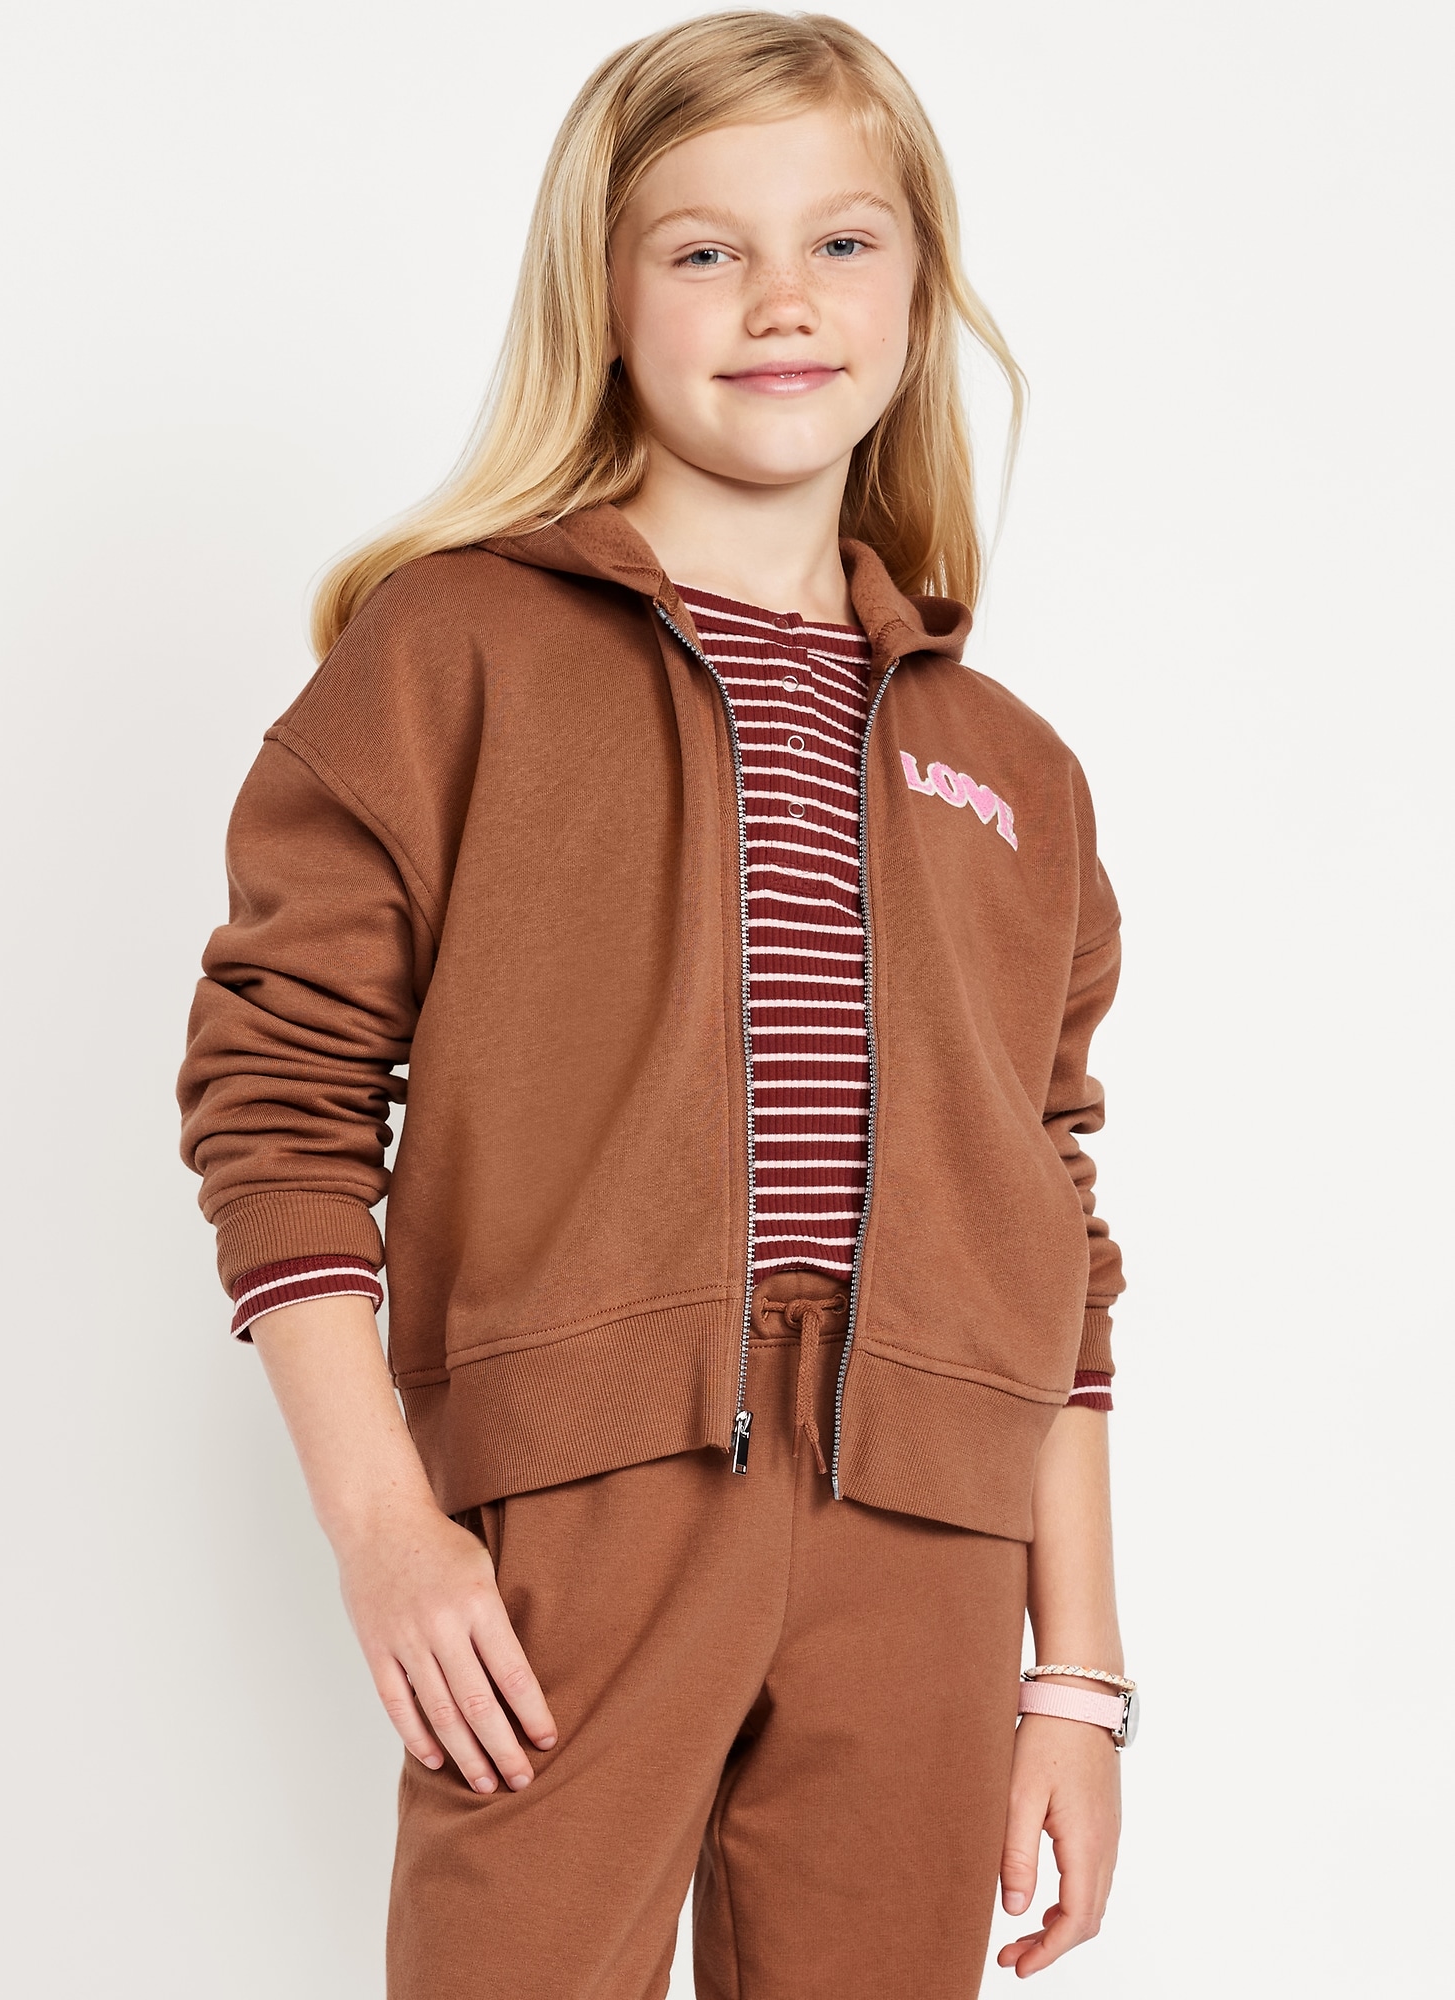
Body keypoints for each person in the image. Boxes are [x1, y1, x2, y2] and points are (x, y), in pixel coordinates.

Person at [178, 13, 1134, 1996]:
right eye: (706, 249)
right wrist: (387, 1530)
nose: (783, 299)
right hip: (583, 1507)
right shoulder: (452, 652)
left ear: (919, 292)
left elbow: (1055, 1219)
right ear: (604, 301)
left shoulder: (1012, 768)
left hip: (929, 1533)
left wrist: (1079, 1674)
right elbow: (278, 1100)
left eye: (843, 242)